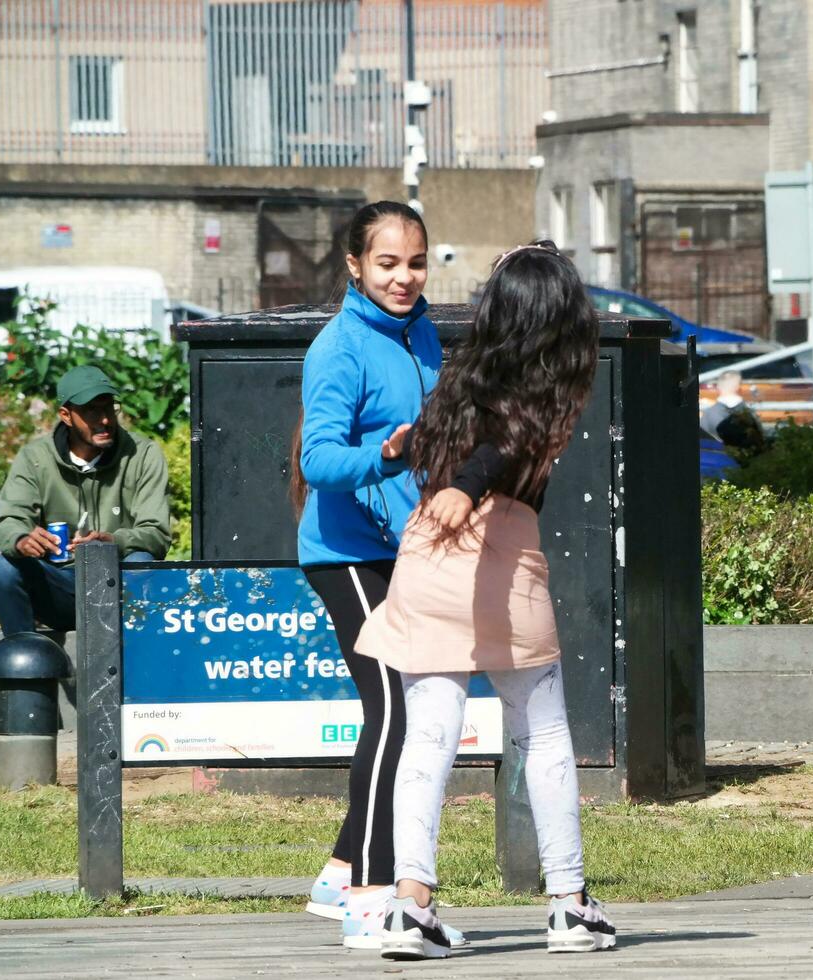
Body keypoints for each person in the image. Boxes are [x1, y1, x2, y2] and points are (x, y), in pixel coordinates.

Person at [351, 241, 614, 959]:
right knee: (544, 731)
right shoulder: (556, 387)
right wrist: (467, 490)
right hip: (501, 558)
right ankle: (569, 905)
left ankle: (411, 907)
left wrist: (445, 481)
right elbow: (500, 448)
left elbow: (480, 442)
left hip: (430, 557)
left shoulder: (460, 376)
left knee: (427, 734)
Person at [290, 201, 465, 952]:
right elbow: (317, 460)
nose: (404, 276)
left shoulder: (421, 332)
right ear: (355, 267)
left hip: (406, 549)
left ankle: (339, 872)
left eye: (416, 262)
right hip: (346, 553)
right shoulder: (339, 348)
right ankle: (369, 893)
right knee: (395, 709)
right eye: (387, 263)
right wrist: (386, 459)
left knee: (408, 710)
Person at [0, 365, 170, 635]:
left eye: (109, 408)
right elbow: (8, 521)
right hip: (58, 585)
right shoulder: (35, 459)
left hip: (119, 583)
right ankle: (24, 662)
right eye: (91, 411)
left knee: (141, 560)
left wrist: (113, 541)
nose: (105, 420)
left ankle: (142, 663)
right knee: (5, 568)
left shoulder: (142, 454)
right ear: (66, 415)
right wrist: (21, 539)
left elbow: (156, 533)